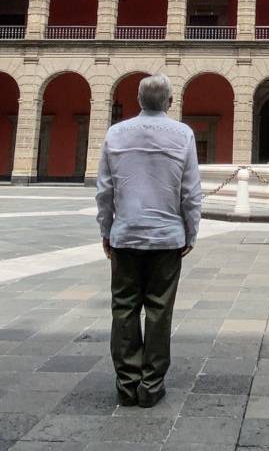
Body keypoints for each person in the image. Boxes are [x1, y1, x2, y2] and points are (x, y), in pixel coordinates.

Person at [95, 74, 203, 408]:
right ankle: (151, 386)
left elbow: (105, 191)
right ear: (170, 102)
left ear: (139, 100)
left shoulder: (116, 133)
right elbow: (191, 192)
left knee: (124, 309)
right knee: (159, 311)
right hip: (167, 238)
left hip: (126, 235)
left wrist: (106, 230)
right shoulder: (183, 134)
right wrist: (191, 231)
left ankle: (126, 386)